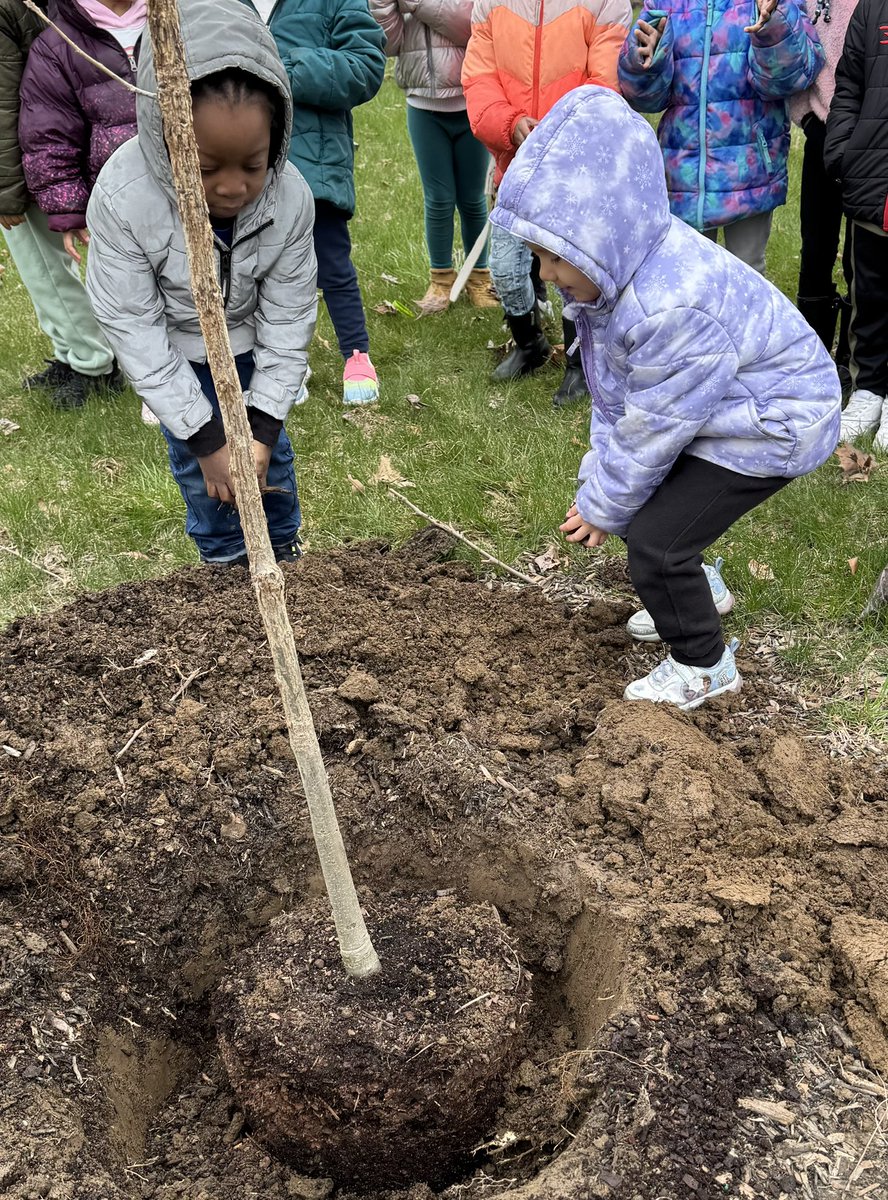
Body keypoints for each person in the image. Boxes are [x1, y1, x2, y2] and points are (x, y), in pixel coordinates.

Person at [491, 86, 841, 709]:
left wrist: (605, 501)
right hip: (726, 403)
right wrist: (603, 481)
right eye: (538, 256)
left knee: (655, 543)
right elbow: (618, 400)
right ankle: (698, 587)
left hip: (778, 417)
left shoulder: (667, 307)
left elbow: (654, 429)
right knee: (635, 498)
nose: (544, 274)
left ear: (600, 237)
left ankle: (703, 665)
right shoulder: (614, 279)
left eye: (553, 257)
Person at [85, 0, 317, 566]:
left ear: (276, 142)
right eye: (207, 168)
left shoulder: (290, 199)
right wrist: (205, 438)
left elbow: (288, 318)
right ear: (168, 141)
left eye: (253, 166)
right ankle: (223, 572)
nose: (234, 187)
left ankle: (283, 560)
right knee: (210, 485)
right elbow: (131, 322)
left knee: (271, 470)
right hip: (176, 357)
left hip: (253, 352)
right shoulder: (124, 197)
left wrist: (260, 425)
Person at [462, 0, 631, 406]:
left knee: (568, 274)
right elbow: (479, 80)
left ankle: (579, 361)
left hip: (572, 172)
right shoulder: (491, 5)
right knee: (503, 268)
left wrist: (556, 134)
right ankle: (529, 341)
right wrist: (510, 122)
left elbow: (605, 84)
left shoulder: (605, 5)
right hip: (512, 167)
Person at [244, 0, 385, 406]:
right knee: (256, 269)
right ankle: (279, 361)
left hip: (315, 162)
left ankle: (356, 354)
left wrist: (284, 69)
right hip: (248, 162)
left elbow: (365, 66)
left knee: (332, 263)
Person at [618, 0, 824, 275]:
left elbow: (790, 79)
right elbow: (644, 96)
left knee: (746, 277)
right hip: (683, 170)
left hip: (749, 169)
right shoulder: (667, 3)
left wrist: (773, 24)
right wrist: (647, 57)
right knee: (686, 279)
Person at [1, 0, 121, 410]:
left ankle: (95, 364)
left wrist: (7, 187)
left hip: (27, 157)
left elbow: (5, 99)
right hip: (35, 152)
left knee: (48, 272)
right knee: (42, 272)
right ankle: (72, 355)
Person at [370, 0, 497, 315]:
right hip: (423, 105)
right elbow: (390, 43)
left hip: (470, 100)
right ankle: (440, 279)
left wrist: (418, 4)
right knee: (438, 198)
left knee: (471, 199)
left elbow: (471, 27)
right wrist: (382, 6)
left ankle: (479, 277)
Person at [824, 0, 888, 450]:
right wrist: (843, 149)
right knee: (871, 291)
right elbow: (848, 84)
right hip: (874, 177)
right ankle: (869, 388)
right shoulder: (873, 8)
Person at [790, 0, 857, 385]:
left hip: (866, 139)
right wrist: (809, 119)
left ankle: (853, 353)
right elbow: (792, 59)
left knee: (858, 251)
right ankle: (811, 352)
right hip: (820, 132)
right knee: (816, 245)